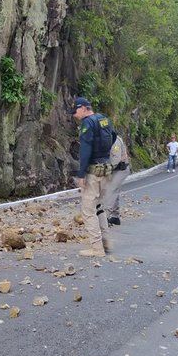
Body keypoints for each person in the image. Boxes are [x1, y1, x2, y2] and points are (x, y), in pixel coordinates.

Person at [71, 97, 117, 257]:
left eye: (76, 111)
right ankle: (106, 242)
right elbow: (114, 136)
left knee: (88, 210)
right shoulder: (104, 119)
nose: (75, 115)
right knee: (98, 207)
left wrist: (81, 174)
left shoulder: (87, 123)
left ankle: (97, 249)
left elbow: (85, 150)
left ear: (83, 108)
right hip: (106, 169)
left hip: (94, 172)